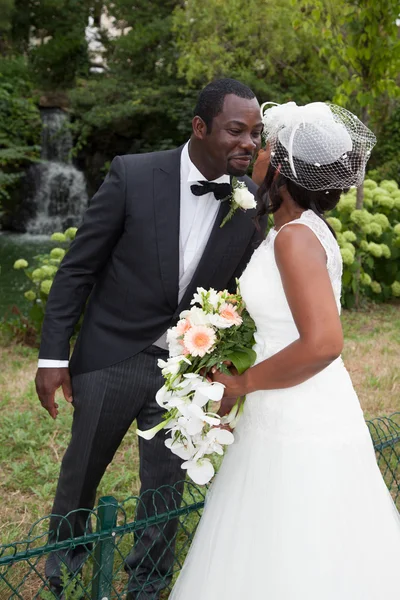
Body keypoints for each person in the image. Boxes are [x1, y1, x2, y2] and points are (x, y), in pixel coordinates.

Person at [34, 78, 265, 599]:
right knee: (82, 471)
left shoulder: (251, 206)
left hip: (187, 371)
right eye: (236, 130)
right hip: (112, 355)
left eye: (255, 133)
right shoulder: (132, 174)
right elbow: (76, 270)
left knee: (165, 485)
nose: (248, 143)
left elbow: (245, 295)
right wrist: (53, 356)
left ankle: (149, 581)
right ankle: (64, 572)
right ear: (200, 128)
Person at [169, 101, 400, 599]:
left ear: (282, 166)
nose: (255, 149)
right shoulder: (298, 230)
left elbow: (323, 342)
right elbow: (285, 325)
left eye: (265, 143)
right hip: (294, 399)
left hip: (297, 413)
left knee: (295, 534)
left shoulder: (294, 238)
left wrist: (244, 382)